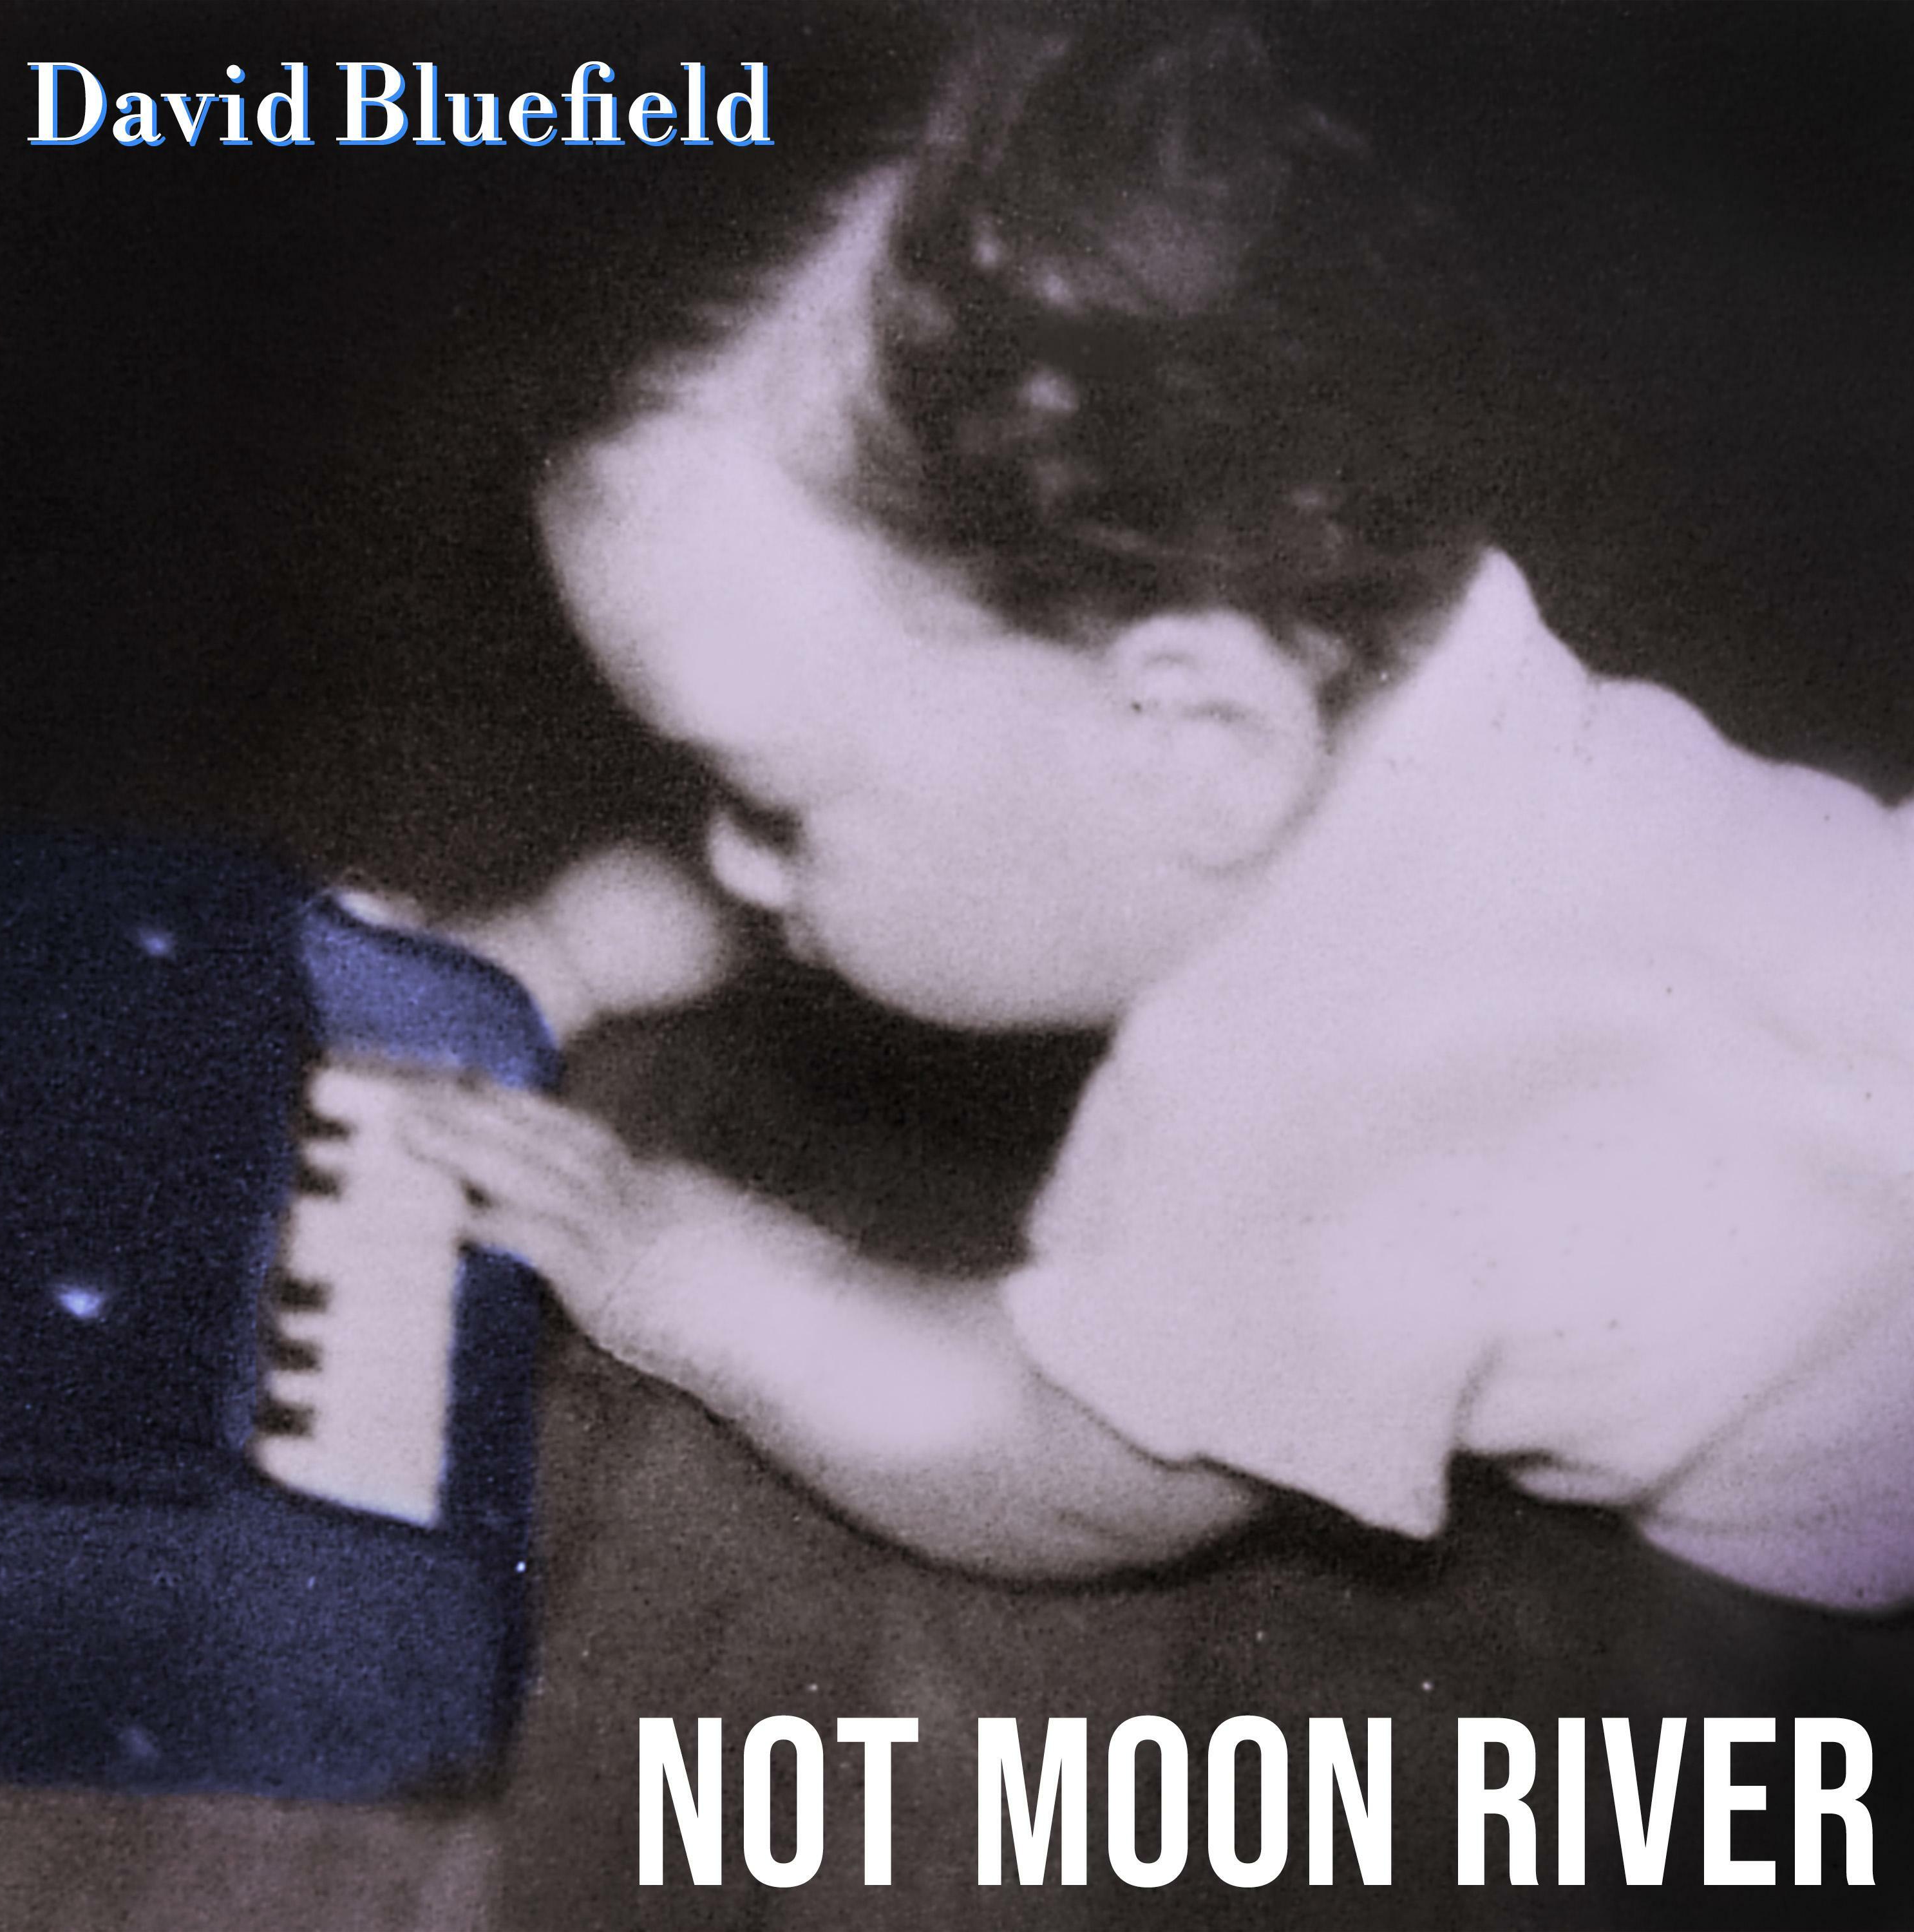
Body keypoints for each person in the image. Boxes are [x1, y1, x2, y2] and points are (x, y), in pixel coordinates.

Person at [363, 10, 1914, 1611]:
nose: (732, 860)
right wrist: (567, 949)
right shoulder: (1423, 674)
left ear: (1195, 741)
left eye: (764, 798)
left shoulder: (1326, 1107)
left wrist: (674, 1269)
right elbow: (880, 852)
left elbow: (1045, 1464)